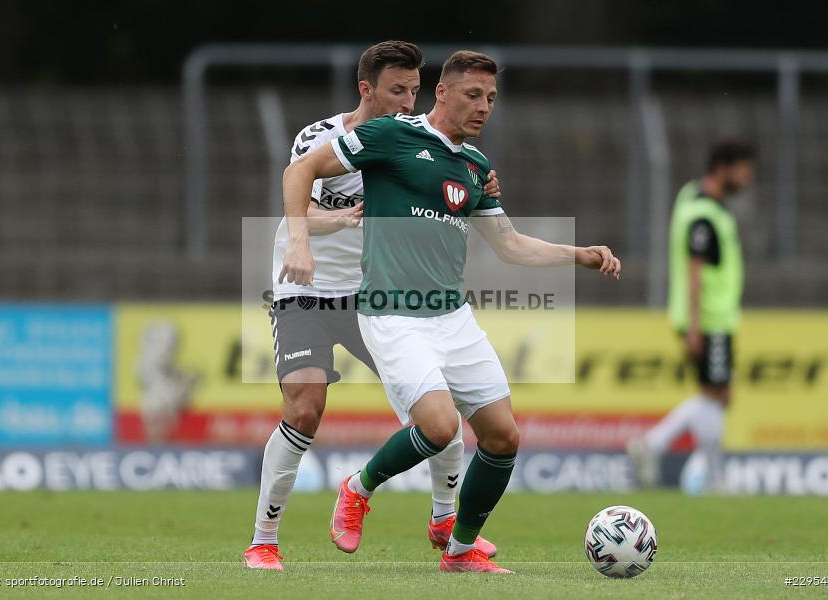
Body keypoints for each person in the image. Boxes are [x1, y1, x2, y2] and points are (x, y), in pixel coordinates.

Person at [279, 50, 621, 573]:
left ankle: (460, 551)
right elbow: (302, 169)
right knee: (440, 427)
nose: (483, 108)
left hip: (452, 317)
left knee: (503, 436)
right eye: (472, 96)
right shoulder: (392, 136)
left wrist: (580, 255)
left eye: (491, 99)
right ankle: (357, 487)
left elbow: (508, 245)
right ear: (441, 93)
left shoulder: (475, 166)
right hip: (392, 313)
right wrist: (299, 241)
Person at [244, 41, 502, 571]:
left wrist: (477, 183)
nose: (408, 101)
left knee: (439, 408)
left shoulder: (413, 142)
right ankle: (264, 539)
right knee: (305, 410)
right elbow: (298, 190)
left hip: (373, 296)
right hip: (306, 290)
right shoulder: (325, 138)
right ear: (366, 89)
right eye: (396, 90)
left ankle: (444, 519)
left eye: (414, 90)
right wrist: (307, 236)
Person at [628, 139, 756, 492]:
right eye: (743, 170)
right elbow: (694, 270)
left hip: (714, 318)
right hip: (709, 319)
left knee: (717, 395)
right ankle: (706, 473)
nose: (747, 178)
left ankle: (663, 450)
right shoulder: (703, 215)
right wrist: (696, 327)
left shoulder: (694, 198)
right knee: (715, 395)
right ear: (722, 168)